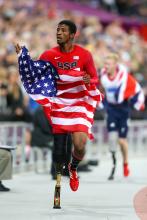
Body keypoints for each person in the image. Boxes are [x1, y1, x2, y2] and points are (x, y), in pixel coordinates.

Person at [15, 20, 102, 192]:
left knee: (80, 145)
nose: (58, 33)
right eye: (57, 30)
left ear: (72, 35)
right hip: (59, 103)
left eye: (62, 30)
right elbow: (35, 72)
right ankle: (60, 168)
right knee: (60, 146)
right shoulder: (48, 54)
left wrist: (88, 80)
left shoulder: (84, 54)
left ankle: (74, 167)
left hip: (79, 104)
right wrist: (23, 58)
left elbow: (95, 78)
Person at [100, 52, 145, 180]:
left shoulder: (123, 77)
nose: (105, 66)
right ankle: (114, 164)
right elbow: (101, 88)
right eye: (105, 64)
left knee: (121, 141)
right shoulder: (103, 76)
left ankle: (125, 162)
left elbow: (135, 88)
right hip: (111, 109)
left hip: (123, 109)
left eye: (108, 64)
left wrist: (138, 103)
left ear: (115, 65)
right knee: (112, 139)